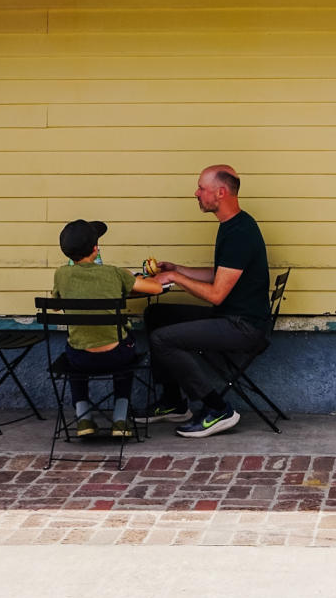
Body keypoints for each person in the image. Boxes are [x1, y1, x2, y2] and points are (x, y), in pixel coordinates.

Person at [140, 165, 271, 439]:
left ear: (220, 192)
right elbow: (221, 275)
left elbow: (216, 294)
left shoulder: (239, 233)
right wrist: (180, 268)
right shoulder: (233, 225)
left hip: (243, 327)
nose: (196, 193)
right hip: (231, 317)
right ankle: (174, 402)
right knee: (157, 316)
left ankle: (218, 408)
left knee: (163, 339)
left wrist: (175, 277)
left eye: (201, 188)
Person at [53, 219, 166, 438]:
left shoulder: (61, 275)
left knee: (74, 344)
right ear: (96, 249)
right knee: (128, 343)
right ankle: (120, 420)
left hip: (80, 360)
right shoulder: (115, 273)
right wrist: (139, 278)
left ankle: (83, 417)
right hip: (117, 357)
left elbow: (56, 307)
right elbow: (156, 288)